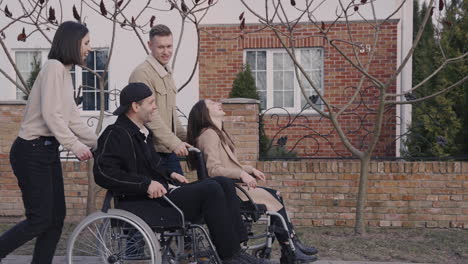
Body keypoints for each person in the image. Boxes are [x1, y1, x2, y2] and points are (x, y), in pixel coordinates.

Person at [93, 83, 270, 264]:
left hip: (163, 194)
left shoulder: (142, 133)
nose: (155, 107)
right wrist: (145, 184)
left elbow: (151, 167)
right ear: (135, 106)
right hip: (146, 203)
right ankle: (230, 257)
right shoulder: (115, 134)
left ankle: (237, 250)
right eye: (151, 102)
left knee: (222, 182)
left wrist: (170, 174)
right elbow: (103, 173)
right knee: (211, 188)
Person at [0, 21, 97, 263]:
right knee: (40, 219)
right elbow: (51, 114)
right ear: (72, 43)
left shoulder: (64, 73)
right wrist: (75, 146)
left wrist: (99, 141)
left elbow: (72, 118)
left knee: (55, 219)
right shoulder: (53, 67)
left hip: (46, 150)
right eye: (86, 43)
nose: (88, 49)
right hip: (31, 151)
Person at [187, 99, 319, 264]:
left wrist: (249, 170)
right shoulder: (209, 135)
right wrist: (242, 174)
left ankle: (291, 247)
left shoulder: (218, 133)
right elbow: (213, 170)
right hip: (227, 191)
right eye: (212, 104)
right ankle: (290, 248)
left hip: (232, 187)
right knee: (275, 196)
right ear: (204, 113)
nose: (218, 103)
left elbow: (228, 165)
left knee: (275, 195)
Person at [129, 24, 189, 175]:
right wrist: (174, 143)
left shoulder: (166, 72)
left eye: (169, 46)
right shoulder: (142, 74)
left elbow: (171, 113)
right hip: (151, 151)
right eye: (161, 47)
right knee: (173, 196)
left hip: (167, 148)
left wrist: (185, 137)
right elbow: (150, 116)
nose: (166, 52)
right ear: (150, 45)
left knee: (180, 194)